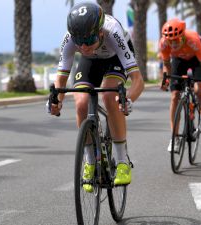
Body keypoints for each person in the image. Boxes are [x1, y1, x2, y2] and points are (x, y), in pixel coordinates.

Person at [49, 2, 144, 192]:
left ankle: (122, 162)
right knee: (81, 101)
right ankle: (90, 162)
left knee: (110, 95)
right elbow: (60, 80)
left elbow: (137, 80)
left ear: (100, 32)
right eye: (79, 41)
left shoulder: (113, 32)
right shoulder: (70, 39)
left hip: (114, 59)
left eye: (89, 39)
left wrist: (129, 99)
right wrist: (55, 101)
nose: (83, 46)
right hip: (90, 63)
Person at [159, 18, 201, 151]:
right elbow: (166, 65)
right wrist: (166, 80)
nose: (173, 44)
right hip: (179, 60)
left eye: (176, 40)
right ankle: (175, 137)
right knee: (175, 95)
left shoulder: (193, 40)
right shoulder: (164, 44)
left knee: (198, 89)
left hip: (196, 60)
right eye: (171, 41)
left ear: (182, 36)